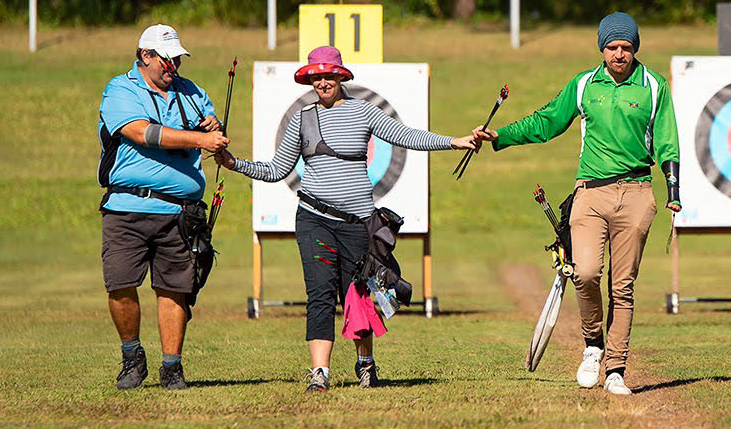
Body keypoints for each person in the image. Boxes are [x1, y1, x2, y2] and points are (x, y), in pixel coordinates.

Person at [213, 46, 478, 392]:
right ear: (309, 79)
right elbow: (277, 169)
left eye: (329, 75)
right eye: (316, 76)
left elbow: (406, 135)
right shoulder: (302, 118)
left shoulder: (363, 111)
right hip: (314, 220)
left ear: (340, 76)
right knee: (319, 293)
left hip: (357, 224)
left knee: (357, 295)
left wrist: (454, 142)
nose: (322, 82)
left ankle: (365, 363)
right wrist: (234, 164)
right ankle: (319, 373)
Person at [474, 11, 680, 396]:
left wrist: (673, 191)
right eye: (612, 47)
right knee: (584, 273)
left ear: (635, 48)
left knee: (623, 286)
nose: (619, 54)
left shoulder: (654, 86)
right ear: (601, 48)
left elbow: (668, 140)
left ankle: (615, 369)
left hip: (637, 192)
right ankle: (592, 345)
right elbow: (548, 121)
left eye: (626, 47)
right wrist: (501, 135)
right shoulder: (584, 84)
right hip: (590, 193)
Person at [98, 24, 229, 391]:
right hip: (127, 208)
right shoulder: (120, 90)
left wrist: (214, 126)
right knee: (120, 285)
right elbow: (143, 133)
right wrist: (199, 138)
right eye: (167, 60)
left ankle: (172, 367)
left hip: (180, 213)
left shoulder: (193, 92)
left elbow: (212, 131)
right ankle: (132, 356)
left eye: (178, 60)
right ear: (146, 56)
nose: (174, 67)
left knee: (174, 289)